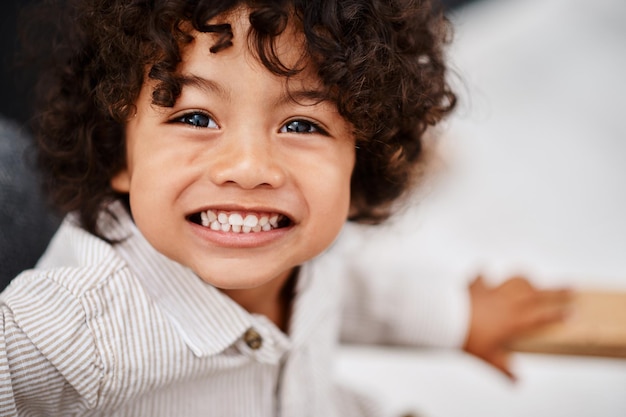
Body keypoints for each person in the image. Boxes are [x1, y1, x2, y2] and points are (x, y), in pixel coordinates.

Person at [0, 0, 569, 415]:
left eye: (302, 124)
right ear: (116, 151)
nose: (248, 167)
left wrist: (456, 315)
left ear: (359, 159)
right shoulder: (69, 329)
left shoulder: (309, 249)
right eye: (195, 118)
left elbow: (346, 292)